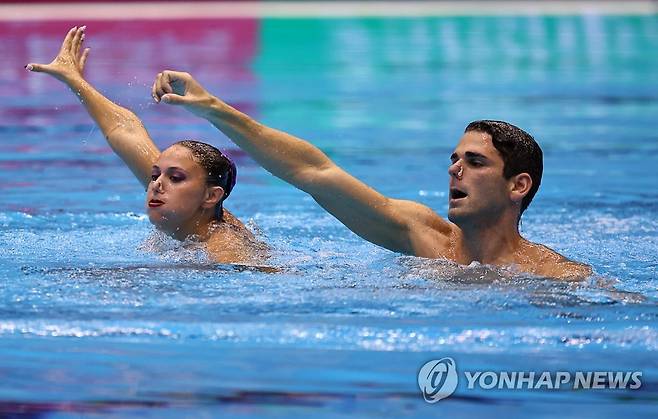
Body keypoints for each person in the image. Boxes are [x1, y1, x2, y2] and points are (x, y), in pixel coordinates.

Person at [149, 69, 592, 280]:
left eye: (475, 163)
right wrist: (215, 109)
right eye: (455, 159)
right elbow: (312, 171)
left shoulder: (556, 276)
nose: (455, 169)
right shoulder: (421, 236)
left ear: (519, 185)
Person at [26, 26, 267, 265]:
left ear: (211, 196)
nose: (156, 184)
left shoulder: (226, 253)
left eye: (176, 178)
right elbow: (126, 131)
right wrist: (74, 80)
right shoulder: (192, 211)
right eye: (154, 175)